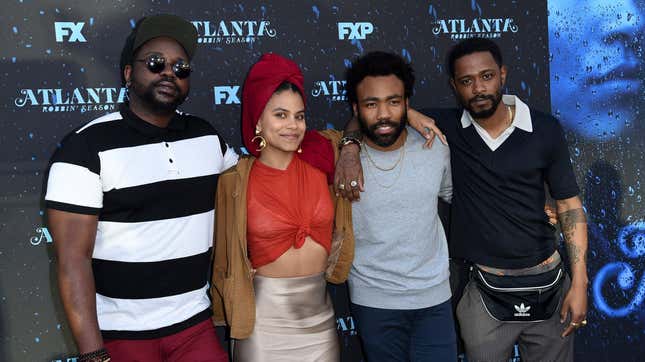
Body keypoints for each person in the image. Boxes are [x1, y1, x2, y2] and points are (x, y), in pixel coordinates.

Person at [340, 39, 589, 361]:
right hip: (481, 291)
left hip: (549, 284)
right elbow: (370, 114)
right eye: (467, 81)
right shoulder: (443, 129)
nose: (478, 88)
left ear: (502, 74)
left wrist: (580, 283)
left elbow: (569, 206)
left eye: (486, 76)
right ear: (454, 86)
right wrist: (349, 146)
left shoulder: (544, 128)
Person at [45, 14, 234, 362]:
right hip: (120, 337)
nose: (169, 73)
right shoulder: (84, 149)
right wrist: (93, 356)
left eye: (181, 67)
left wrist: (349, 142)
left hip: (194, 328)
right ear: (129, 74)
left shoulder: (208, 138)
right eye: (156, 63)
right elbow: (72, 262)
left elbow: (260, 176)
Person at [211, 53, 356, 362]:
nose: (293, 125)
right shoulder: (235, 182)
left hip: (320, 320)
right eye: (280, 115)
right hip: (263, 324)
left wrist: (413, 116)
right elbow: (223, 254)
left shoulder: (324, 157)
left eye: (299, 116)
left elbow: (368, 119)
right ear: (258, 121)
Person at [341, 51, 457, 362]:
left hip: (434, 297)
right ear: (356, 108)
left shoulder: (435, 147)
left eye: (393, 102)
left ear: (407, 104)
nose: (383, 114)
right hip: (374, 301)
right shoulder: (339, 158)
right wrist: (349, 147)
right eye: (371, 104)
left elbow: (455, 196)